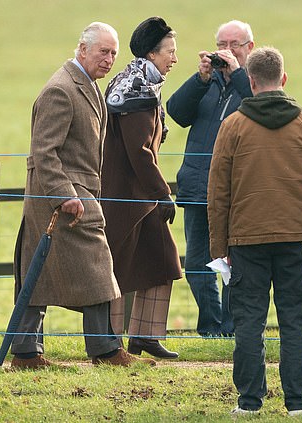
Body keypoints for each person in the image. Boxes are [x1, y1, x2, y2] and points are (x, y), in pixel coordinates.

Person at [10, 22, 155, 369]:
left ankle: (26, 352)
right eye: (103, 52)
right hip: (65, 200)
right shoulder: (60, 90)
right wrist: (63, 195)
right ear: (82, 48)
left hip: (76, 196)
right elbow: (44, 152)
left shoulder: (86, 85)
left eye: (113, 54)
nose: (108, 60)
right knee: (96, 268)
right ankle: (104, 350)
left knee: (41, 269)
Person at [208, 47, 302, 417]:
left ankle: (249, 402)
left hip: (245, 239)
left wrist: (219, 247)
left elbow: (218, 194)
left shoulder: (232, 126)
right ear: (283, 79)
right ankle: (298, 403)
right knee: (295, 320)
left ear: (250, 81)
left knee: (249, 321)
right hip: (295, 236)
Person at [166, 20, 255, 338]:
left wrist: (239, 76)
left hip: (234, 192)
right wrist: (201, 78)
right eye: (221, 45)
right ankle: (211, 325)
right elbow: (175, 111)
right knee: (197, 263)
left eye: (234, 44)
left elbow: (259, 109)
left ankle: (230, 327)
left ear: (249, 48)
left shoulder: (254, 84)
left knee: (235, 263)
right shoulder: (207, 83)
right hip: (195, 187)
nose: (227, 51)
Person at [101, 17, 182, 359]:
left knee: (161, 259)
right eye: (170, 52)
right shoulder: (138, 92)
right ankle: (111, 343)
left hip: (137, 197)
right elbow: (139, 152)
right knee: (121, 267)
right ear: (152, 53)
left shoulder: (135, 83)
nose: (175, 59)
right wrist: (163, 193)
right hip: (128, 198)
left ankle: (143, 336)